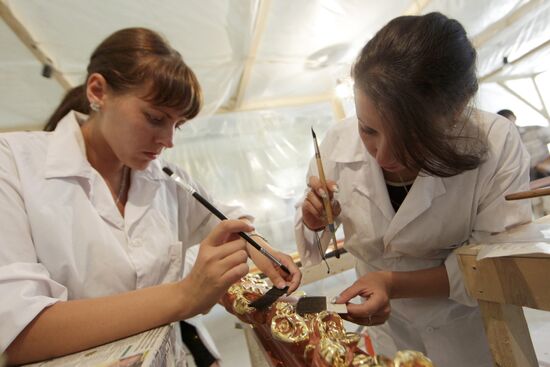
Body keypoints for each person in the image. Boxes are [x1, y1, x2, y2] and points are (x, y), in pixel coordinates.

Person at [0, 27, 301, 365]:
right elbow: (19, 333)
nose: (168, 140)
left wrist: (259, 246)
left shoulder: (165, 179)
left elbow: (227, 219)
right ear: (98, 91)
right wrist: (186, 294)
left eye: (178, 124)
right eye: (155, 118)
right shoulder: (13, 163)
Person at [295, 13, 531, 367]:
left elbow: (494, 267)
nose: (384, 156)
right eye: (368, 130)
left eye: (411, 137)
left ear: (457, 110)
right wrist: (314, 221)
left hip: (466, 328)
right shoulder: (336, 143)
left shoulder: (496, 143)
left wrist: (391, 283)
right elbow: (317, 242)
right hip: (388, 331)